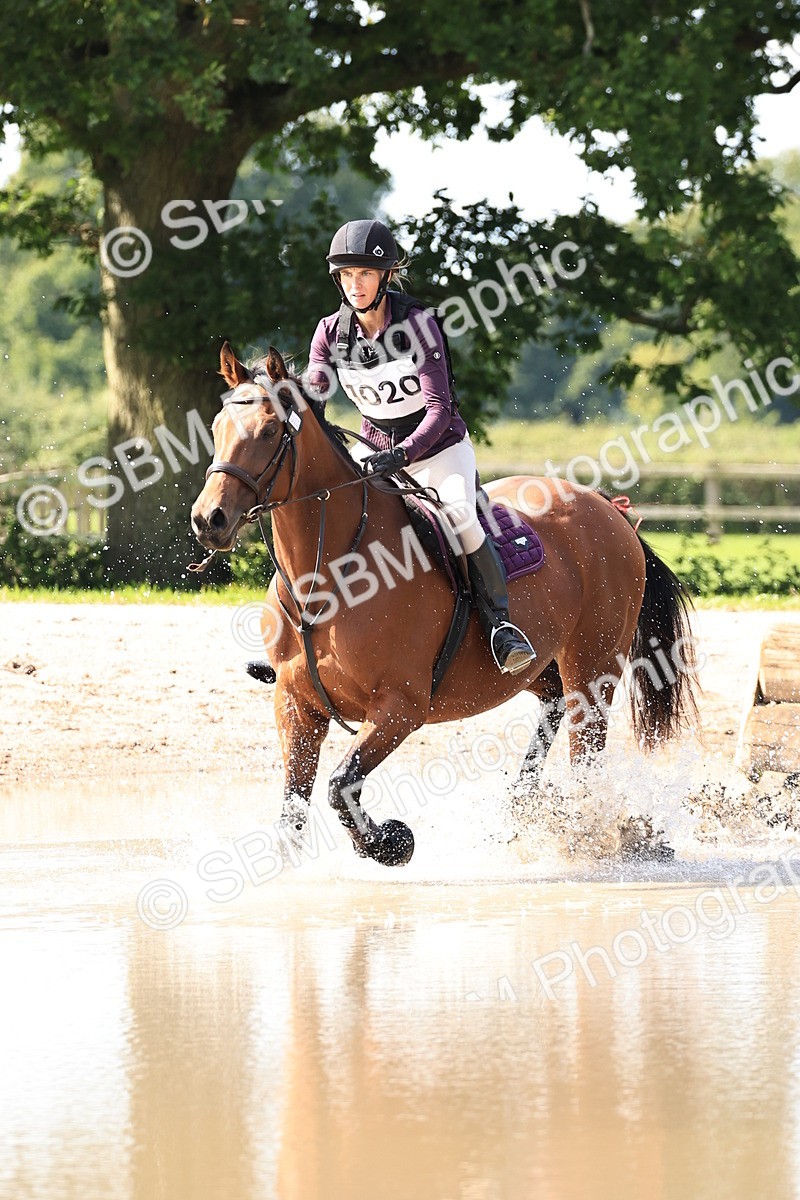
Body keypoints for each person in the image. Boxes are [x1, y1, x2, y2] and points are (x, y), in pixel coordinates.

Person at [304, 218, 536, 676]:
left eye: (365, 274)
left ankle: (500, 626)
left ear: (386, 275)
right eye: (347, 275)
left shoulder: (417, 324)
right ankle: (300, 636)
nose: (355, 284)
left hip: (438, 450)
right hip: (373, 450)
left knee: (460, 516)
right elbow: (314, 401)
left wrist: (404, 454)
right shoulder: (330, 333)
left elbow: (439, 409)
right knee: (325, 513)